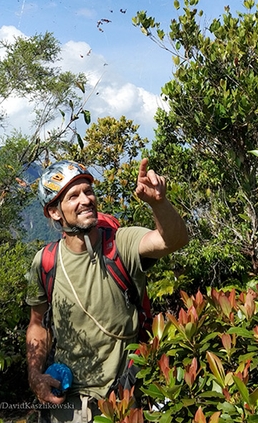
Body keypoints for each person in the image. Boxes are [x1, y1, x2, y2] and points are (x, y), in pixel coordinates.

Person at [26, 157, 188, 423]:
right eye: (73, 196)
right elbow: (37, 324)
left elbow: (174, 240)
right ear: (54, 212)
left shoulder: (120, 244)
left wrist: (158, 203)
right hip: (67, 404)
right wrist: (35, 376)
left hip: (123, 400)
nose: (86, 200)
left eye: (88, 191)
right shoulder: (45, 262)